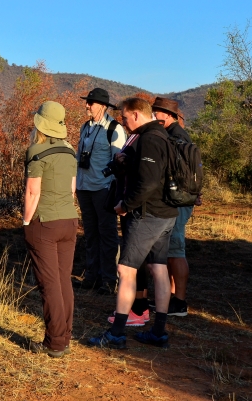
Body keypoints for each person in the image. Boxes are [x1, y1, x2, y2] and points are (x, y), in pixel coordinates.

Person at [88, 97, 177, 349]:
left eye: (126, 118)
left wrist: (126, 205)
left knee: (126, 270)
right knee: (158, 269)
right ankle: (159, 331)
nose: (124, 124)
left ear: (137, 114)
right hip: (166, 213)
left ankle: (116, 334)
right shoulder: (164, 136)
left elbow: (147, 183)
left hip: (148, 215)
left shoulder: (148, 139)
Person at [23, 101, 78, 358]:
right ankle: (64, 337)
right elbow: (72, 190)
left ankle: (55, 342)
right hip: (69, 220)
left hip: (45, 222)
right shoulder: (70, 152)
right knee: (63, 279)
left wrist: (25, 222)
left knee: (49, 284)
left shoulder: (36, 150)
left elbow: (33, 192)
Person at [74, 88, 126, 294]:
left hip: (103, 189)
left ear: (103, 106)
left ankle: (109, 280)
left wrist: (116, 192)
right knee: (90, 234)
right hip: (84, 187)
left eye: (91, 103)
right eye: (87, 102)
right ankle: (91, 277)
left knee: (107, 234)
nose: (87, 105)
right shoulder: (85, 127)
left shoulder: (114, 129)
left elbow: (120, 163)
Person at [152, 97, 193, 317]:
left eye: (156, 112)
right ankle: (170, 298)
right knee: (170, 251)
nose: (154, 116)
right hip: (181, 199)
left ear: (167, 115)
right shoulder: (177, 135)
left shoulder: (175, 138)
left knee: (176, 251)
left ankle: (180, 302)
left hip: (178, 201)